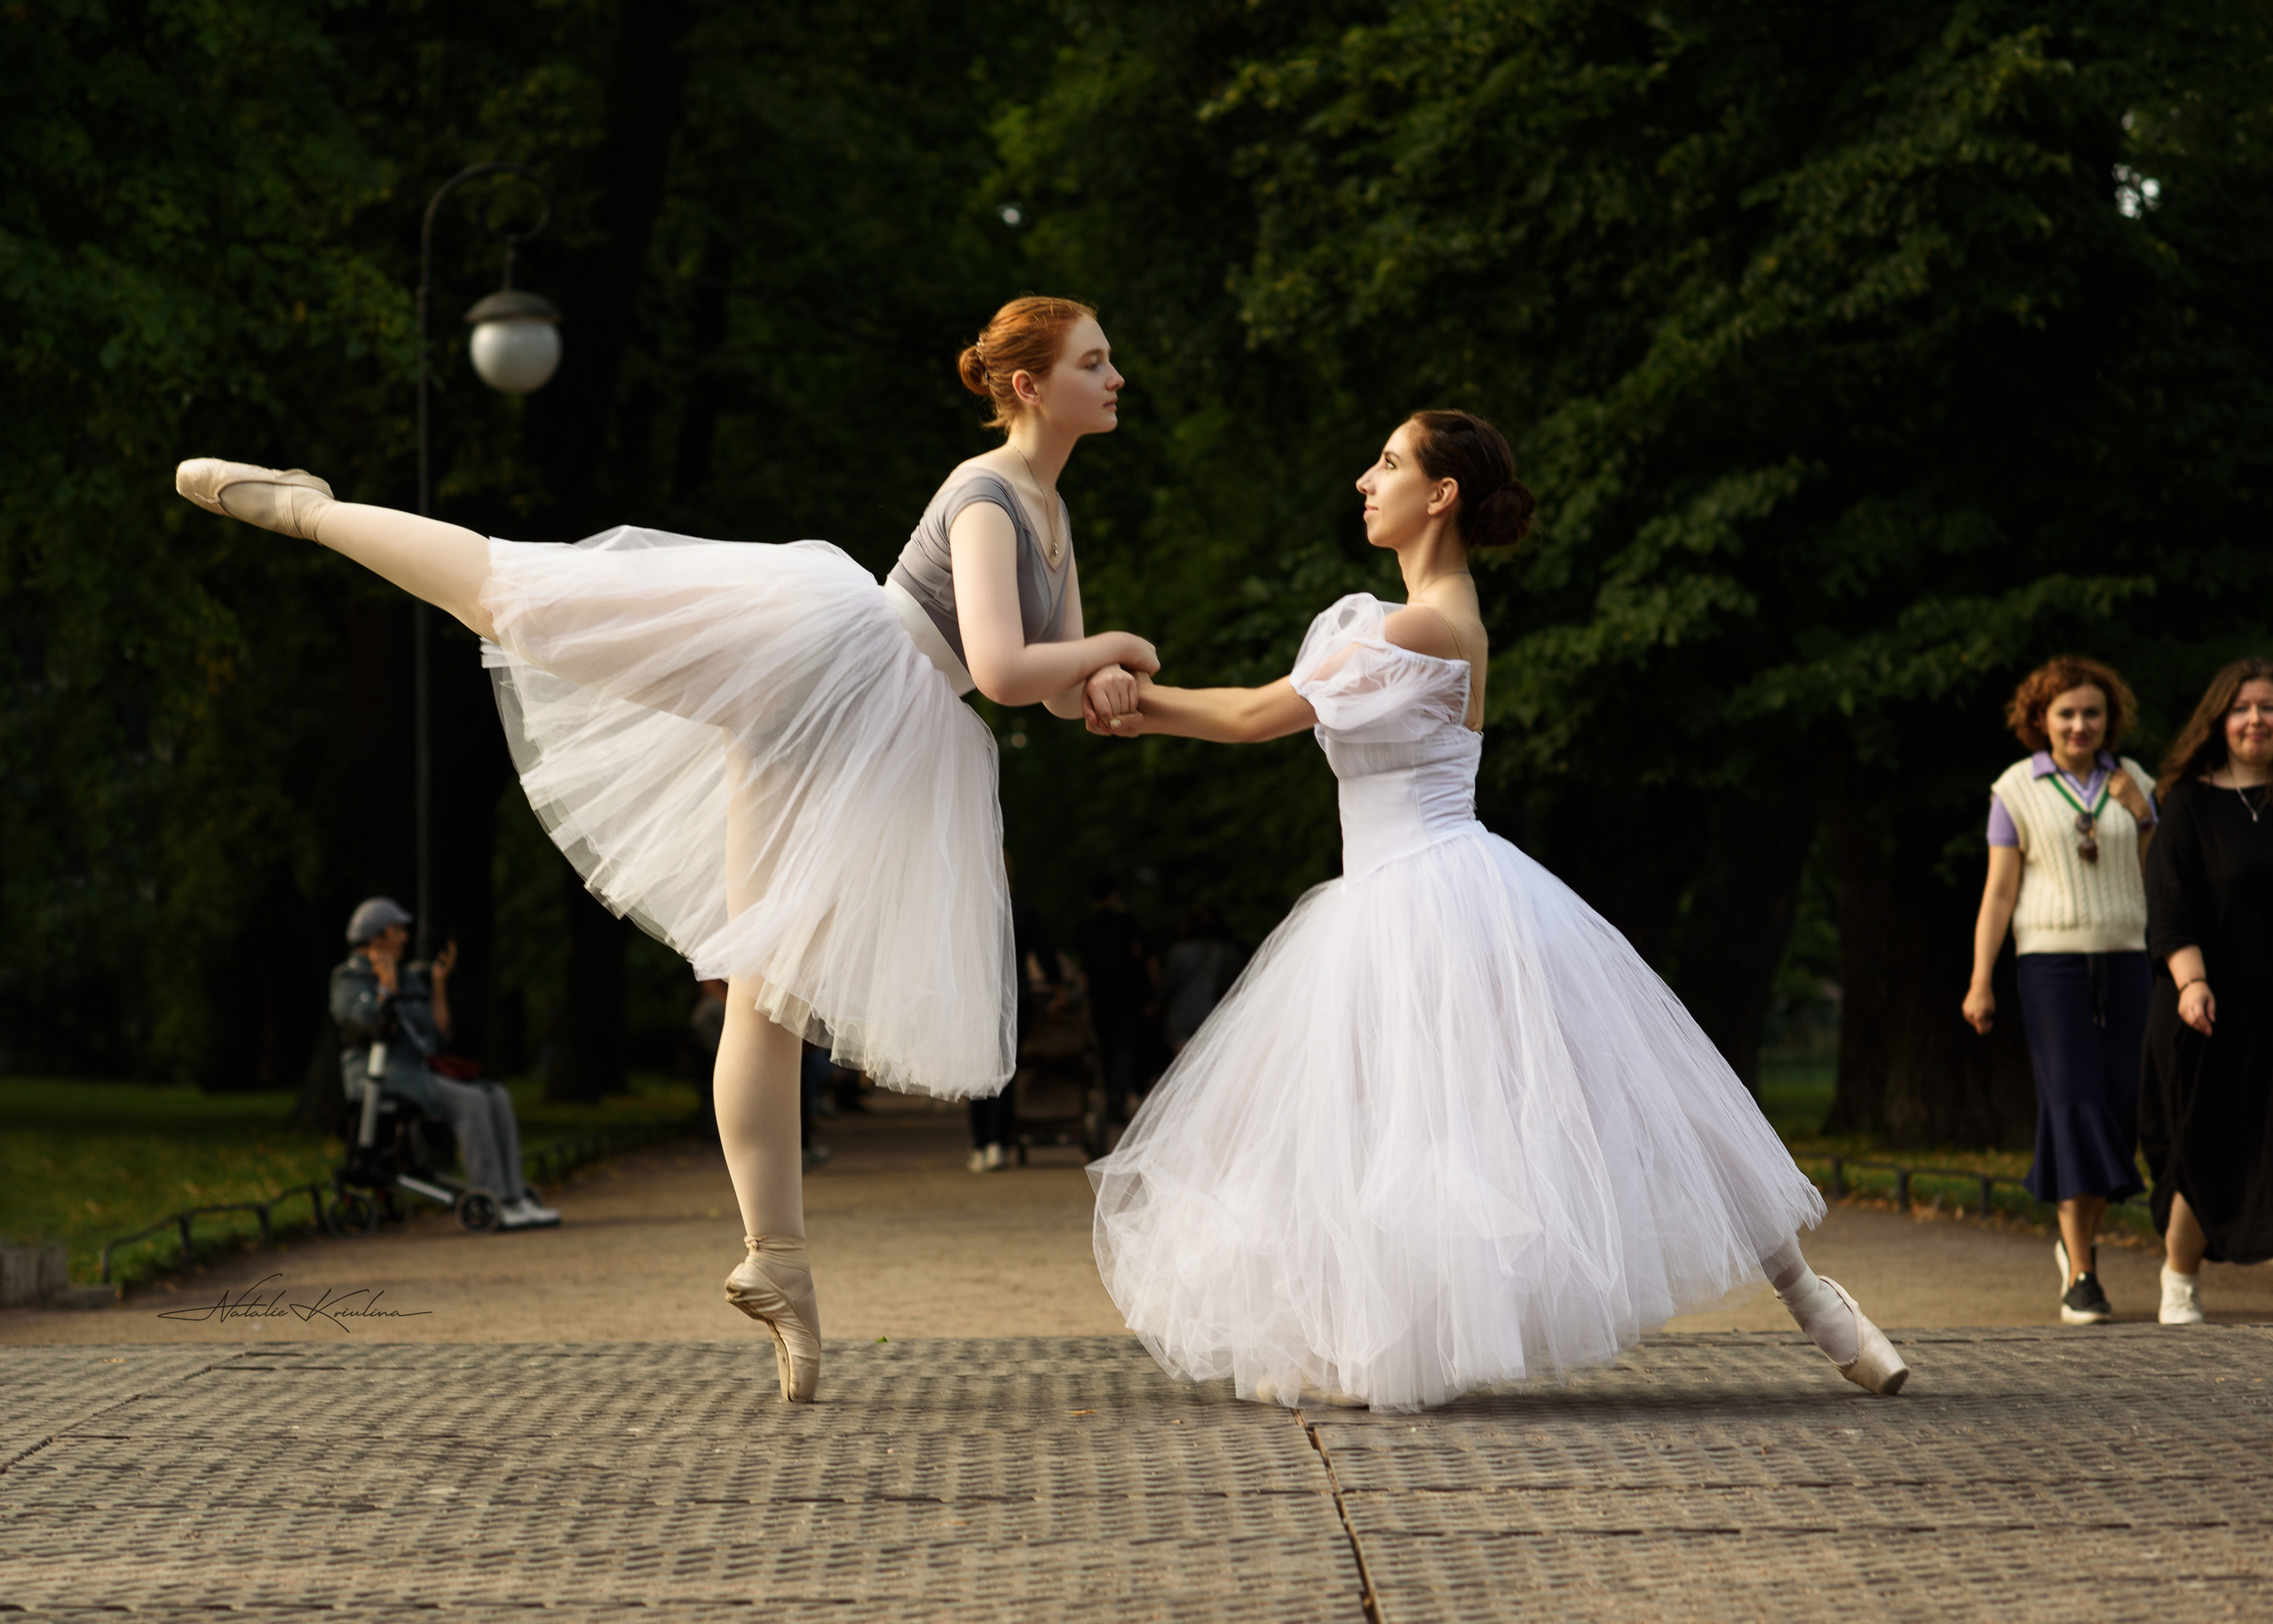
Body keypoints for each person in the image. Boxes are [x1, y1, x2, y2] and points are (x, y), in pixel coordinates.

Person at [177, 295, 1153, 1402]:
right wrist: (1110, 650)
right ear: (1030, 385)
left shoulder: (1052, 511)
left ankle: (775, 1259)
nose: (1115, 375)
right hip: (821, 665)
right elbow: (1004, 663)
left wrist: (1104, 678)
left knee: (765, 992)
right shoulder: (986, 499)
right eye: (1094, 359)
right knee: (523, 597)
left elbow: (1055, 686)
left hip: (864, 726)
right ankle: (314, 513)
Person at [1083, 410, 1904, 1411]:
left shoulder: (1422, 622)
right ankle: (1815, 1306)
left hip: (1431, 890)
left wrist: (1132, 701)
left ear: (1442, 495)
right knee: (1395, 1120)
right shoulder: (1415, 615)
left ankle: (1819, 1302)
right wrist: (1123, 700)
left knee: (1585, 1094)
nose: (1362, 479)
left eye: (1388, 463)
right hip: (1398, 892)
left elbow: (1261, 714)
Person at [1960, 657, 2157, 1325]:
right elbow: (2000, 891)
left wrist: (2146, 816)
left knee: (2119, 1106)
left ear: (2110, 718)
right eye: (2066, 713)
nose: (2079, 724)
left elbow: (2165, 883)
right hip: (2050, 966)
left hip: (2128, 959)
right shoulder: (2016, 789)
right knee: (2073, 1104)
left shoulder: (2137, 784)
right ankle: (2081, 1271)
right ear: (2040, 718)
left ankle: (2076, 1243)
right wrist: (1981, 979)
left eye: (2092, 712)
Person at [2142, 656, 2273, 1323]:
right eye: (2243, 707)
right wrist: (2191, 981)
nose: (2257, 718)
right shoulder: (2189, 803)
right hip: (2205, 1006)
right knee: (2207, 1139)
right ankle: (2180, 1281)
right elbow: (2170, 905)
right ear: (2220, 720)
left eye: (2269, 706)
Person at [329, 897, 559, 1231]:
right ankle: (493, 1197)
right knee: (472, 1101)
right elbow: (372, 1025)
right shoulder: (347, 978)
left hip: (416, 1068)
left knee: (496, 1094)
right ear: (376, 937)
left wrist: (437, 983)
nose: (405, 937)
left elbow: (436, 1034)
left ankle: (514, 1196)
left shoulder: (408, 976)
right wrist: (385, 983)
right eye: (397, 931)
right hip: (379, 1072)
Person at [970, 855, 1062, 1172]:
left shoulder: (967, 912)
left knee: (978, 1072)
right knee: (1004, 1072)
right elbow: (1046, 955)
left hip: (975, 1000)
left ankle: (980, 1143)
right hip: (1014, 997)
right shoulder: (1022, 911)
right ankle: (997, 1142)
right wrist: (1058, 986)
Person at [1077, 875, 1151, 1123]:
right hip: (1127, 993)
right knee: (1126, 1045)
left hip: (1099, 995)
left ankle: (1110, 1094)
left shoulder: (1088, 925)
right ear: (1113, 893)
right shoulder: (1127, 922)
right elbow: (1142, 956)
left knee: (1106, 1045)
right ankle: (1119, 1092)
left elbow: (1084, 965)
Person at [1157, 903, 1241, 1055]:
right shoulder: (1218, 952)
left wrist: (1157, 1003)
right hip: (1207, 1011)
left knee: (1182, 1061)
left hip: (1181, 1013)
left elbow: (1169, 983)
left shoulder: (1179, 952)